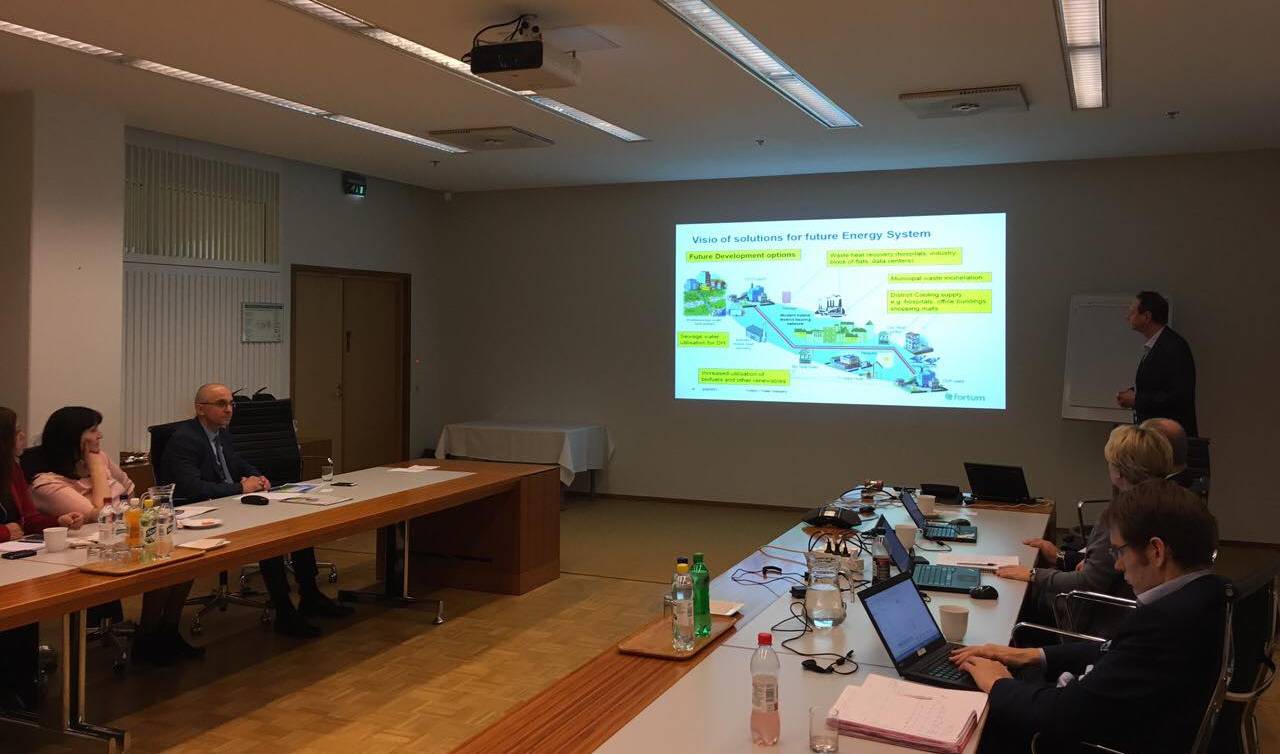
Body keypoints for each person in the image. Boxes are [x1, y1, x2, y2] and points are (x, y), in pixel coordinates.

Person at [952, 480, 1226, 753]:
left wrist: (998, 684)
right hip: (1113, 717)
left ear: (1156, 551)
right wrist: (1031, 654)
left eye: (1120, 551)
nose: (1117, 565)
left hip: (1081, 738)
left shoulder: (1165, 625)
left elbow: (1062, 715)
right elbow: (1113, 650)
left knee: (974, 719)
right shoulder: (1206, 595)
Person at [163, 383, 350, 638]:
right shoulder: (185, 439)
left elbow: (239, 463)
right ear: (200, 409)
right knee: (269, 536)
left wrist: (257, 476)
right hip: (203, 511)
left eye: (231, 404)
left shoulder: (221, 433)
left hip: (231, 503)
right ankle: (284, 611)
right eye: (221, 404)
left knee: (296, 522)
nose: (229, 410)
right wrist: (240, 488)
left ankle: (310, 594)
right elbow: (192, 487)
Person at [27, 407, 200, 665]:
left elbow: (129, 488)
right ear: (72, 437)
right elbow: (101, 513)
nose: (100, 436)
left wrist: (114, 494)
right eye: (93, 430)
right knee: (161, 566)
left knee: (183, 560)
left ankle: (168, 630)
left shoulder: (99, 460)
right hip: (81, 555)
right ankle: (147, 638)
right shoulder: (47, 484)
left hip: (122, 538)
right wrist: (98, 470)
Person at [998, 425, 1174, 633]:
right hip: (1137, 616)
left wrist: (1033, 573)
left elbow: (1089, 582)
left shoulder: (1121, 515)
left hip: (1098, 618)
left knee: (1025, 594)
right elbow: (1104, 567)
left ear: (1119, 472)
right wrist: (1061, 557)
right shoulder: (1170, 503)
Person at [0, 406, 83, 709]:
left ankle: (23, 685)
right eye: (16, 431)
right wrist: (4, 532)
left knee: (30, 604)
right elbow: (12, 529)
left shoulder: (12, 470)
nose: (23, 436)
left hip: (17, 562)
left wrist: (58, 521)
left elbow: (29, 519)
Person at [1115, 291, 1197, 436]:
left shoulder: (1173, 346)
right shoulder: (1157, 345)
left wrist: (1137, 400)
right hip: (1157, 434)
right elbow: (1157, 385)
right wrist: (1133, 393)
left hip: (1169, 437)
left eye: (1132, 312)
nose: (1127, 317)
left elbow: (1179, 396)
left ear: (1147, 317)